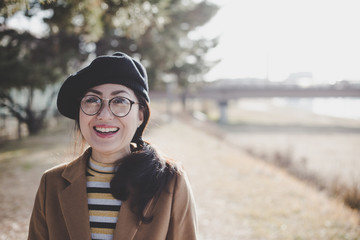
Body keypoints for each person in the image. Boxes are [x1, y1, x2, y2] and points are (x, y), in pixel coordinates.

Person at [28, 52, 198, 240]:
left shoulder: (171, 182)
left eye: (119, 101)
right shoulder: (51, 183)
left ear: (140, 115)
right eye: (92, 100)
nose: (104, 115)